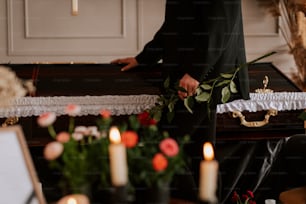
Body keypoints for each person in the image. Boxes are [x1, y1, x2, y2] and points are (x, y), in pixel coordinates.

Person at [111, 0, 250, 202]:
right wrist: (144, 58)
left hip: (203, 78)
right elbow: (175, 24)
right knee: (199, 152)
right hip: (194, 77)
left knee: (165, 144)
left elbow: (220, 25)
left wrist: (195, 72)